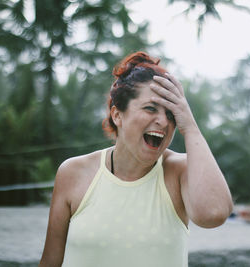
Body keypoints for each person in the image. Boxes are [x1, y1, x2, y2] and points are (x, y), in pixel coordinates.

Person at [39, 52, 233, 267]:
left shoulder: (179, 171)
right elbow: (50, 262)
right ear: (117, 115)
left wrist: (190, 127)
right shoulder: (73, 172)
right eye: (150, 108)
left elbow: (213, 214)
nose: (162, 121)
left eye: (171, 115)